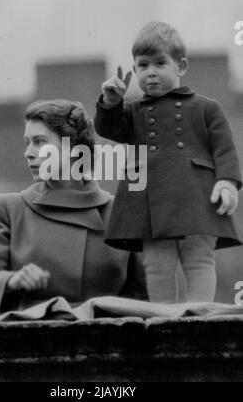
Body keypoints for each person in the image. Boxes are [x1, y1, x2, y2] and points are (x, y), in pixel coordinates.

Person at [94, 21, 243, 304]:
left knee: (199, 259)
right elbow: (108, 129)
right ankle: (164, 318)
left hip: (197, 199)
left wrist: (227, 182)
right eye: (142, 65)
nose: (150, 72)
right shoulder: (133, 111)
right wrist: (110, 102)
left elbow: (224, 150)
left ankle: (200, 316)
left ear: (181, 66)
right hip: (149, 202)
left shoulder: (207, 107)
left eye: (160, 63)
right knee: (157, 264)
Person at [0, 100, 146, 319]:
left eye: (39, 142)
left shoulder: (120, 212)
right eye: (27, 143)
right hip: (32, 341)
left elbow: (141, 298)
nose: (28, 153)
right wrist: (11, 281)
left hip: (106, 343)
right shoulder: (10, 209)